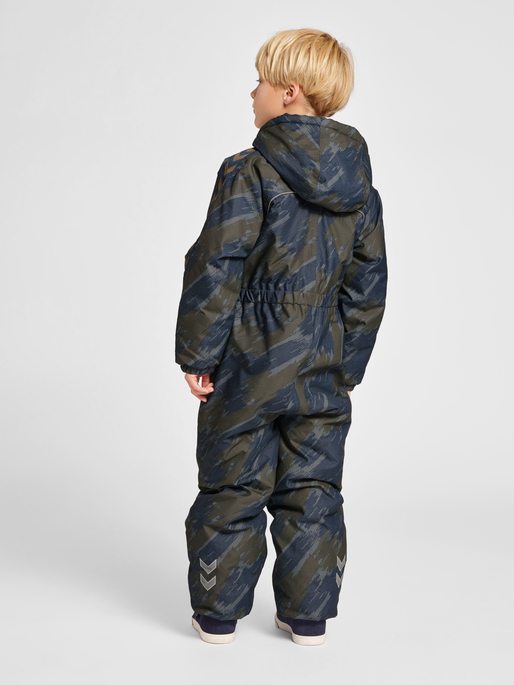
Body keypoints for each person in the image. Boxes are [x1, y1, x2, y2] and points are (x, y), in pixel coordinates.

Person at [175, 28, 387, 646]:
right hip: (321, 365)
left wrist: (198, 354)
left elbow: (217, 266)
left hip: (248, 363)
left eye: (260, 81)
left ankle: (218, 617)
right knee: (312, 485)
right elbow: (368, 286)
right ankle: (307, 618)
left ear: (289, 92)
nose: (252, 92)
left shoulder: (247, 170)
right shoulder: (361, 191)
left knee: (234, 482)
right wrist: (346, 366)